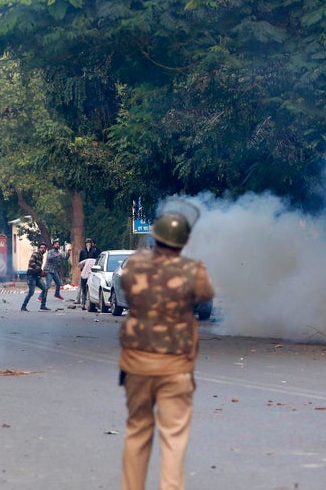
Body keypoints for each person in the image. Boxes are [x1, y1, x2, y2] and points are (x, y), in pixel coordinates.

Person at [118, 210, 214, 490]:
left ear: (155, 238)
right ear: (183, 243)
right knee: (174, 438)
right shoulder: (194, 269)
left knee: (137, 433)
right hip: (175, 366)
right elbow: (205, 294)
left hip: (137, 364)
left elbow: (127, 285)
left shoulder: (135, 265)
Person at [21, 243, 50, 312]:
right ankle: (23, 306)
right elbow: (31, 263)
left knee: (45, 288)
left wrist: (42, 273)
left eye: (44, 248)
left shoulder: (41, 256)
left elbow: (38, 267)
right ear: (38, 248)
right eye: (41, 247)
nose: (43, 249)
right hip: (31, 275)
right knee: (31, 292)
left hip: (36, 276)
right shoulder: (35, 254)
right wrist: (40, 271)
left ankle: (43, 306)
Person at [76, 237, 100, 306]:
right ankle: (82, 302)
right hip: (84, 272)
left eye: (89, 243)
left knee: (91, 287)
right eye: (87, 243)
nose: (88, 244)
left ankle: (91, 303)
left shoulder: (95, 250)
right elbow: (80, 262)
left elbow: (97, 260)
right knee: (83, 288)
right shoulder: (83, 251)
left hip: (93, 272)